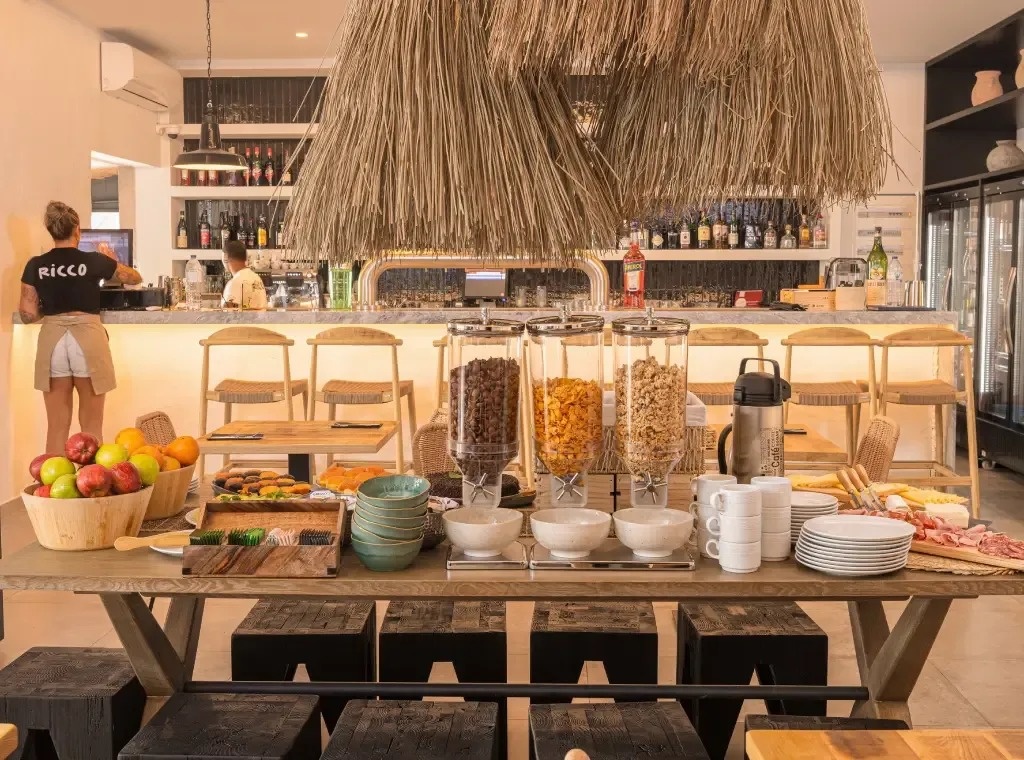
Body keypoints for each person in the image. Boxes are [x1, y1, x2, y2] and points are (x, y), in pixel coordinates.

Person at [19, 201, 143, 454]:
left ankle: (53, 487)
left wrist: (51, 307)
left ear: (50, 230)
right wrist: (111, 260)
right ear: (77, 230)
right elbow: (134, 279)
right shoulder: (94, 260)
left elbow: (28, 314)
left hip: (53, 340)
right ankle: (91, 486)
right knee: (91, 424)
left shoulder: (36, 264)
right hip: (87, 338)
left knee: (56, 425)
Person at [221, 240, 268, 309]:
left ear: (225, 258)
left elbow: (229, 315)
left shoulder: (235, 283)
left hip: (245, 320)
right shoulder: (256, 278)